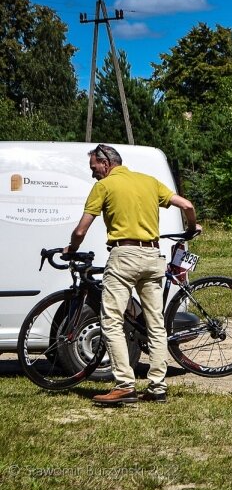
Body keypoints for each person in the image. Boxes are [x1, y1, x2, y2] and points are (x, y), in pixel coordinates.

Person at [64, 144, 202, 405]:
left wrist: (71, 248)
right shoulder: (149, 181)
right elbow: (186, 204)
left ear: (106, 163)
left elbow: (81, 230)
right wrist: (192, 229)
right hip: (152, 257)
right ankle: (158, 387)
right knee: (156, 322)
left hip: (124, 256)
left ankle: (125, 385)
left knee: (112, 320)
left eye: (94, 168)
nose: (93, 173)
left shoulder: (104, 187)